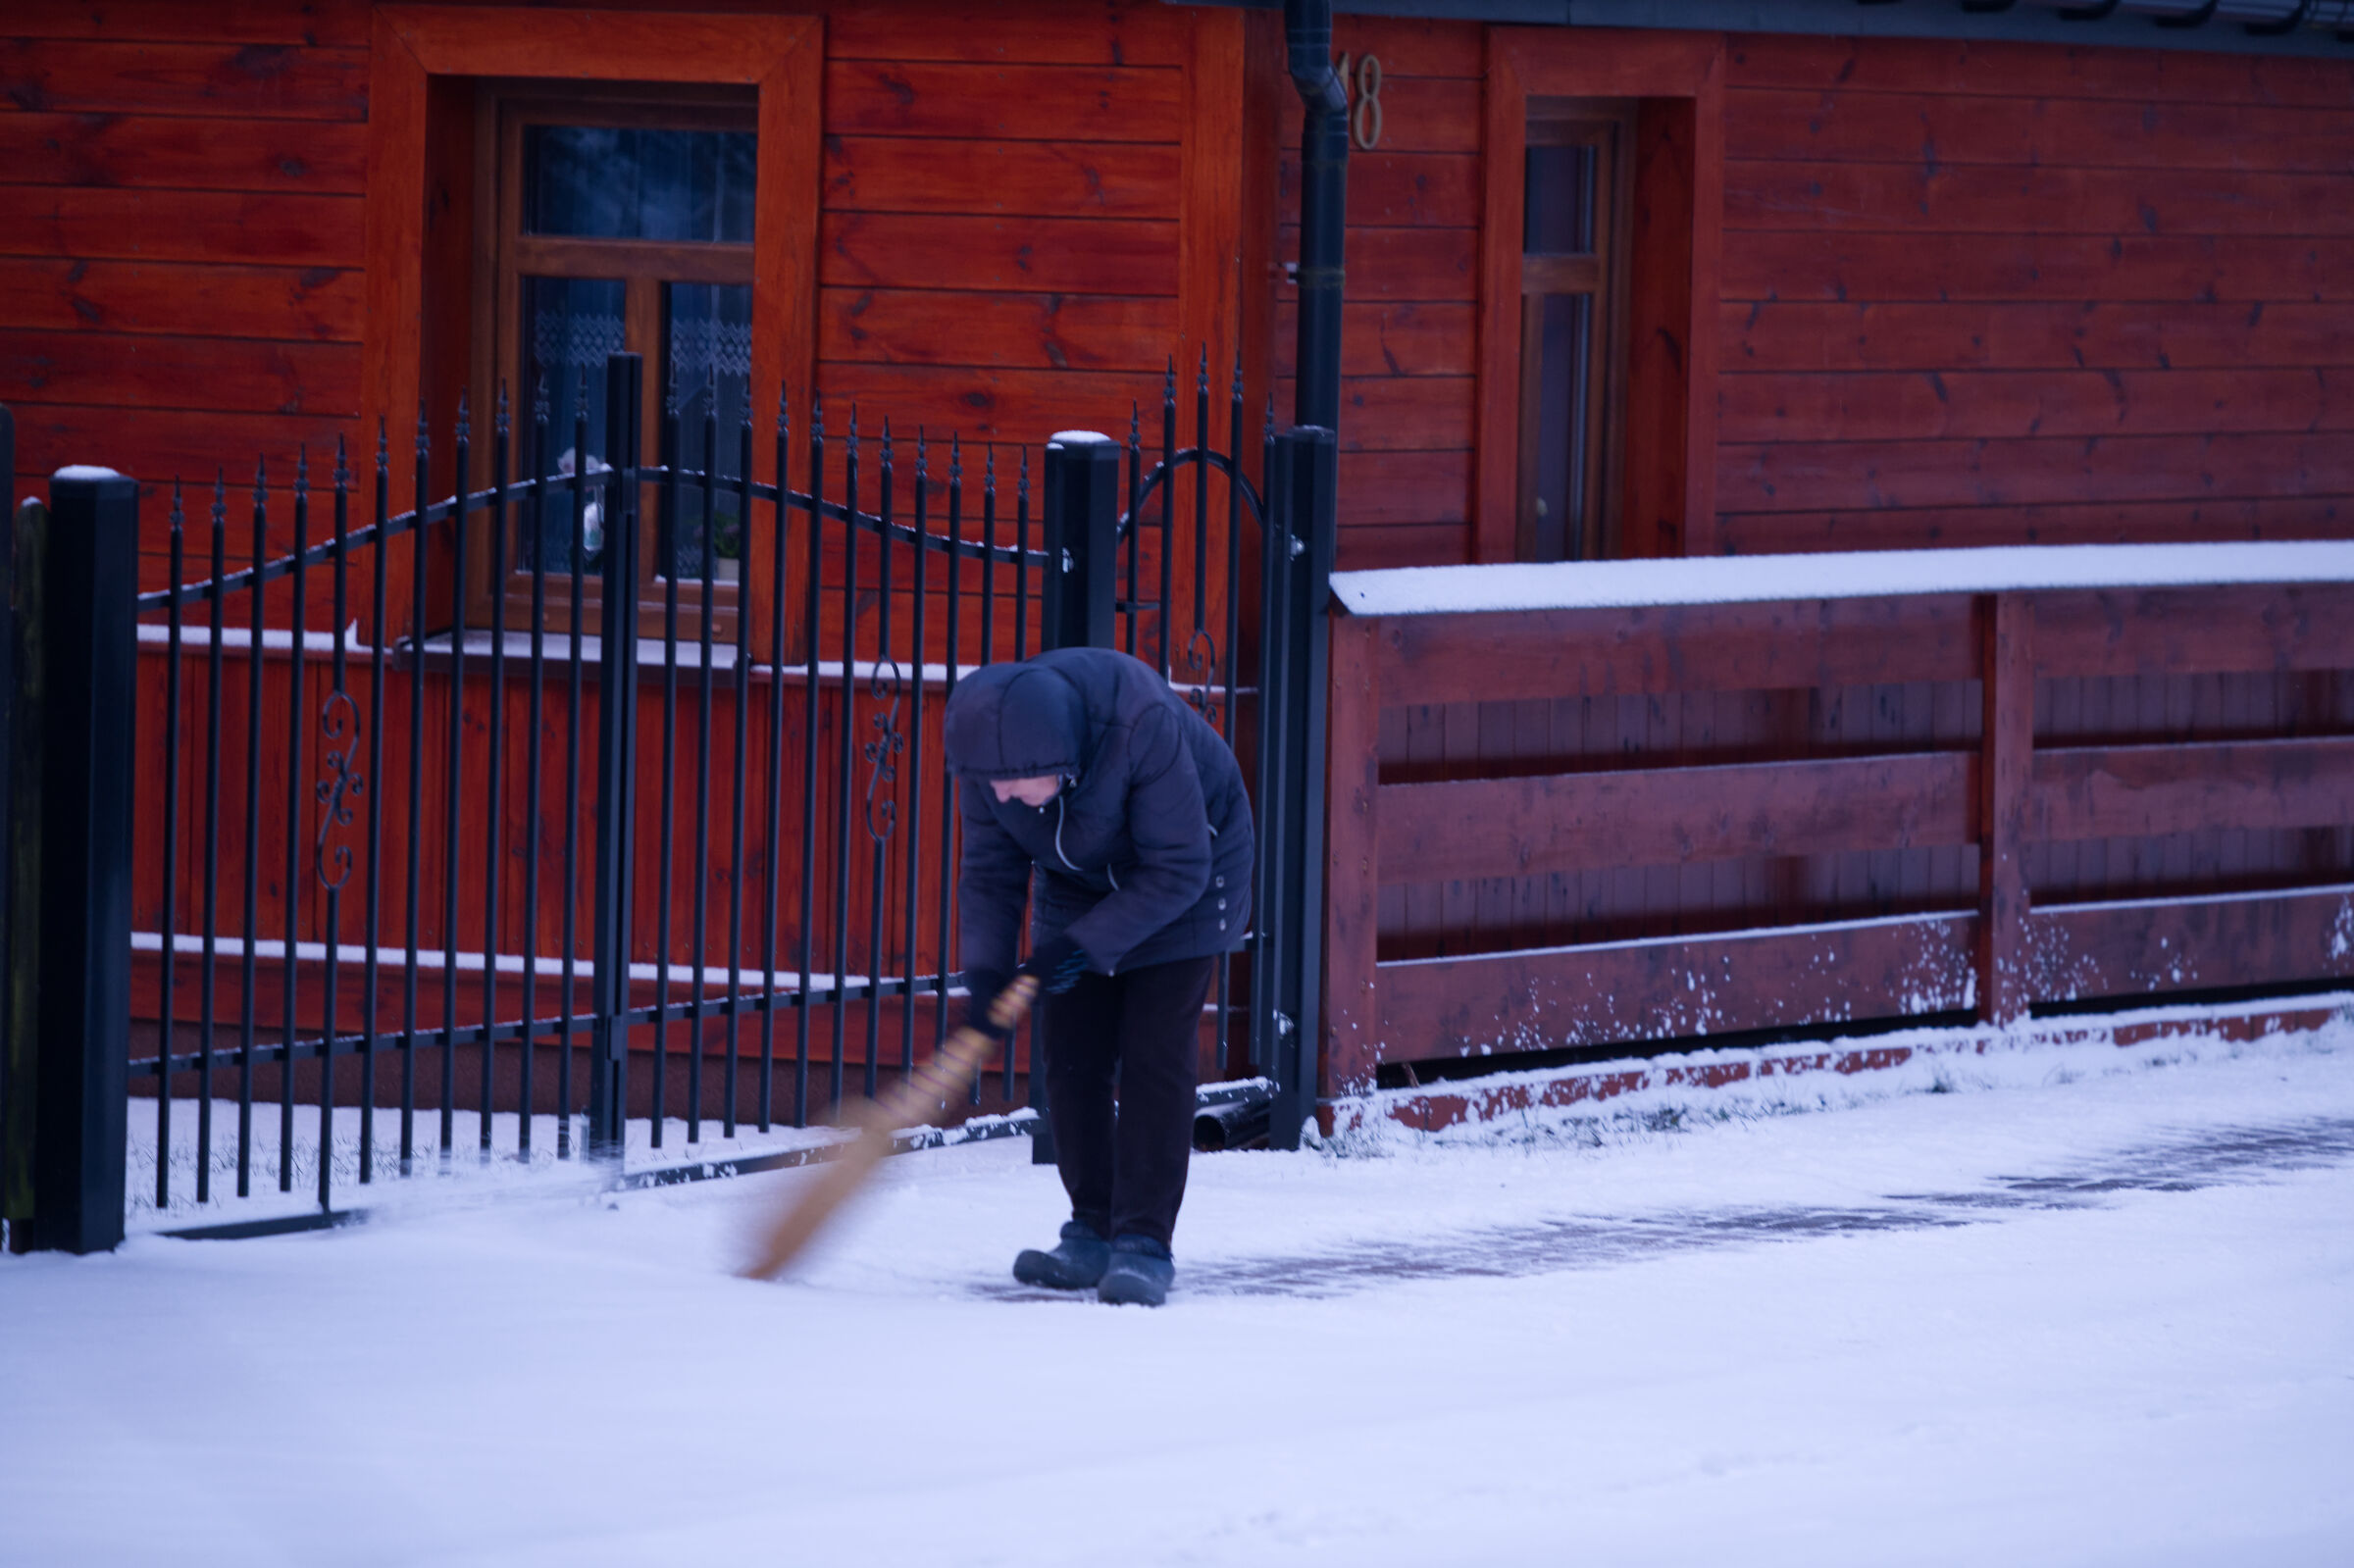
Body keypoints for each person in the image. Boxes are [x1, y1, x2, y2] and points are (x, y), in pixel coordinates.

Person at [943, 646, 1252, 1306]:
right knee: (1072, 1052)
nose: (1000, 796)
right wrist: (989, 972)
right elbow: (990, 875)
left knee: (1153, 1054)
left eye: (1015, 784)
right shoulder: (992, 761)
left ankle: (1143, 1241)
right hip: (1079, 883)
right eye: (989, 784)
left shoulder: (1138, 722)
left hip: (1190, 874)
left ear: (1060, 760)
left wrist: (1078, 948)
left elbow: (1178, 867)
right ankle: (1091, 1226)